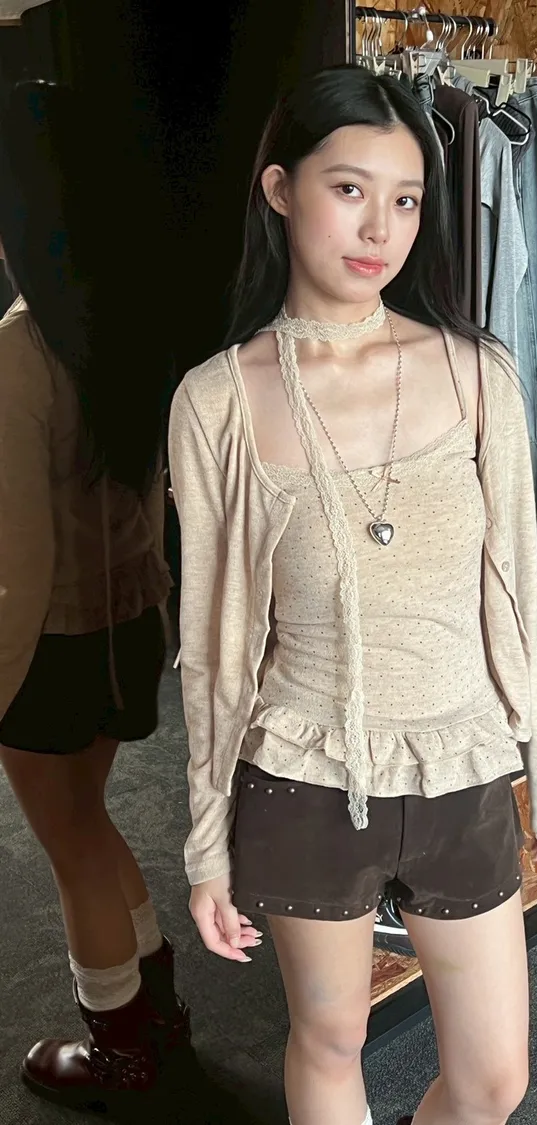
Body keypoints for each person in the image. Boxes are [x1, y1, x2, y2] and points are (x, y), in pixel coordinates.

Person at [169, 65, 537, 1125]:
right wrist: (207, 843)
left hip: (460, 768)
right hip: (304, 776)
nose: (379, 229)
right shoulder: (217, 401)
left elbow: (515, 591)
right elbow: (213, 644)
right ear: (280, 189)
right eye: (349, 189)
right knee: (331, 1038)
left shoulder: (477, 372)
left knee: (493, 1078)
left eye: (405, 199)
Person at [0, 81, 189, 1107]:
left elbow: (15, 567)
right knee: (92, 822)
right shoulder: (134, 327)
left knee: (72, 843)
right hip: (128, 627)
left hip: (51, 646)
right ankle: (155, 1011)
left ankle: (121, 1051)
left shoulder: (20, 351)